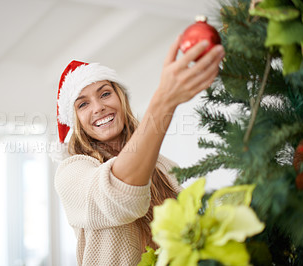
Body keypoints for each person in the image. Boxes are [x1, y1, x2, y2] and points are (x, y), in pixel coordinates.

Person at [53, 35, 225, 265]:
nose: (99, 107)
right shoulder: (71, 174)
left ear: (121, 99)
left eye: (105, 93)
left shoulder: (164, 166)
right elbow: (121, 196)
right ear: (75, 120)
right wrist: (165, 99)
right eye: (83, 104)